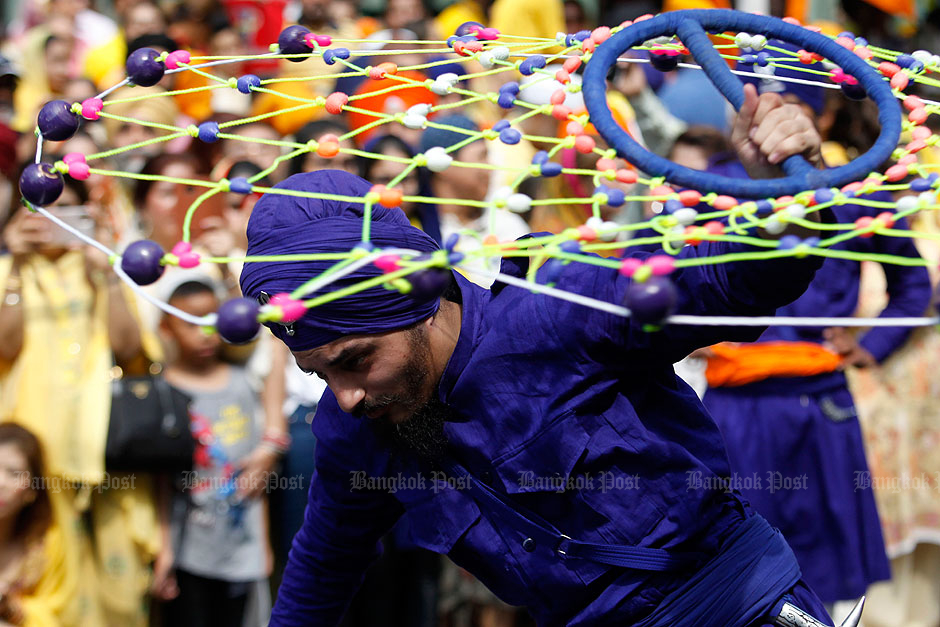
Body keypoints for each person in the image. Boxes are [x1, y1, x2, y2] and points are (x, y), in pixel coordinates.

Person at [241, 84, 840, 627]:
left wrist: (783, 190)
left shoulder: (559, 307)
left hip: (738, 608)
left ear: (417, 299)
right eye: (317, 373)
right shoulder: (354, 428)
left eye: (355, 360)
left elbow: (737, 280)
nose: (344, 396)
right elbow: (320, 572)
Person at [154, 275, 271, 627]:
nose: (205, 332)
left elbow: (257, 477)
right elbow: (161, 483)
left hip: (241, 548)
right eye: (191, 322)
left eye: (212, 321)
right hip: (188, 551)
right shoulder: (162, 391)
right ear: (167, 327)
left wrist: (262, 545)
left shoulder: (241, 384)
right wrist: (165, 549)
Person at [0, 422, 77, 626]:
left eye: (14, 473)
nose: (1, 482)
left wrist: (13, 609)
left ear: (32, 490)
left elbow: (57, 610)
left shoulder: (47, 544)